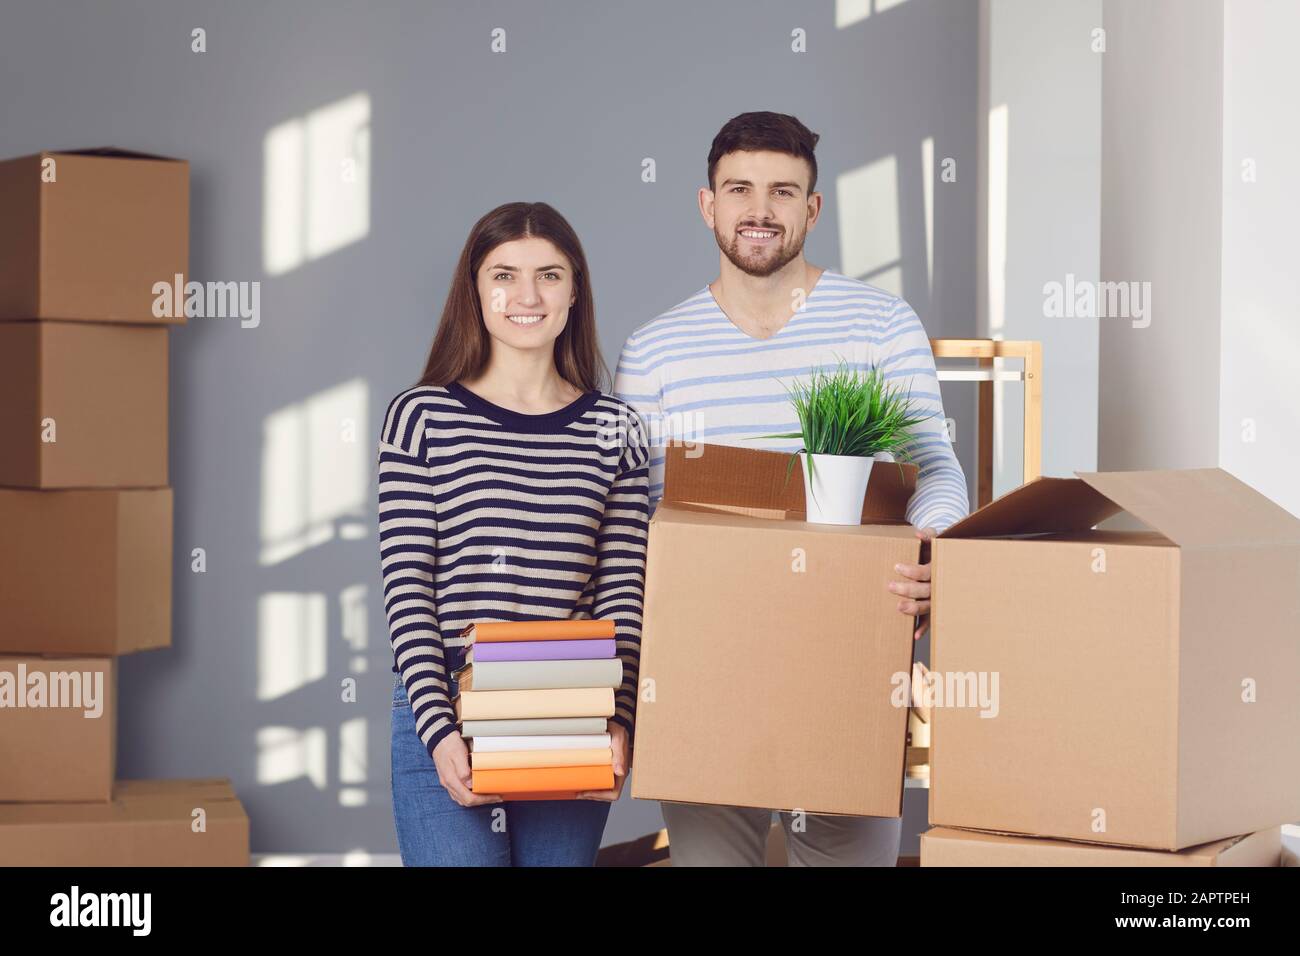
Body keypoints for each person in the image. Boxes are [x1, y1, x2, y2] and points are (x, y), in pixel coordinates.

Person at [613, 111, 969, 866]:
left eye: (783, 192)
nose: (760, 210)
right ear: (708, 204)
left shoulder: (879, 324)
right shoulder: (655, 350)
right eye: (739, 189)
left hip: (852, 656)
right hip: (707, 662)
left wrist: (935, 546)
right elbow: (637, 515)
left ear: (811, 209)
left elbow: (934, 463)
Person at [380, 201, 649, 866]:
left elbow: (624, 593)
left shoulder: (616, 429)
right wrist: (440, 730)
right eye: (504, 274)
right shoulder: (422, 417)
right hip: (445, 710)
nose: (527, 295)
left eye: (549, 275)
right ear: (475, 289)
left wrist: (620, 720)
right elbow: (407, 584)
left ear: (574, 290)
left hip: (573, 717)